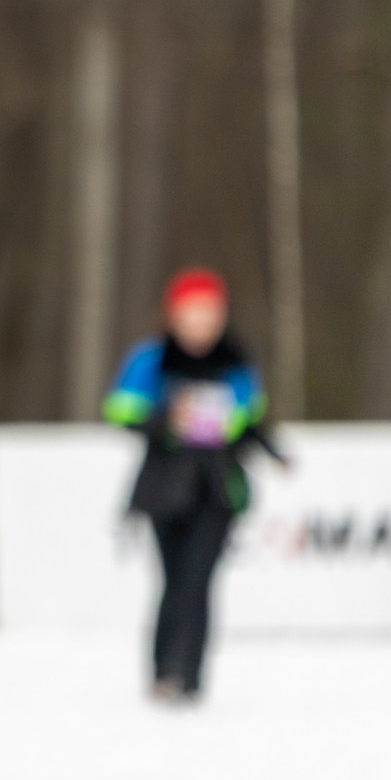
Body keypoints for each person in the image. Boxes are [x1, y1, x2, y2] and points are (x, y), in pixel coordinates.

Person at [103, 267, 279, 704]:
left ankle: (189, 675)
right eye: (193, 313)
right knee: (173, 577)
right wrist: (168, 418)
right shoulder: (151, 359)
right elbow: (121, 413)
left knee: (199, 579)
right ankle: (165, 669)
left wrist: (266, 447)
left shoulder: (236, 360)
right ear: (175, 315)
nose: (201, 323)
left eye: (209, 314)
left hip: (217, 488)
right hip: (165, 486)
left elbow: (250, 418)